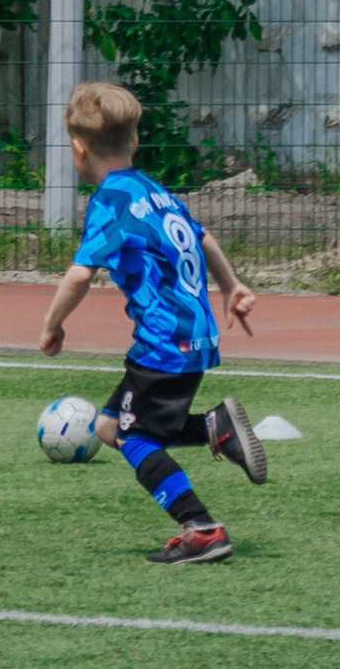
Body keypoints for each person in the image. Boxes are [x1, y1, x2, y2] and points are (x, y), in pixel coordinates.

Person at [36, 82, 267, 564]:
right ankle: (214, 427)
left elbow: (79, 274)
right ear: (135, 141)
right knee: (107, 425)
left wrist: (52, 325)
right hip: (197, 334)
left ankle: (200, 527)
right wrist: (231, 286)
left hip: (163, 341)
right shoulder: (154, 191)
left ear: (78, 149)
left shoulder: (109, 201)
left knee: (131, 435)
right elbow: (203, 237)